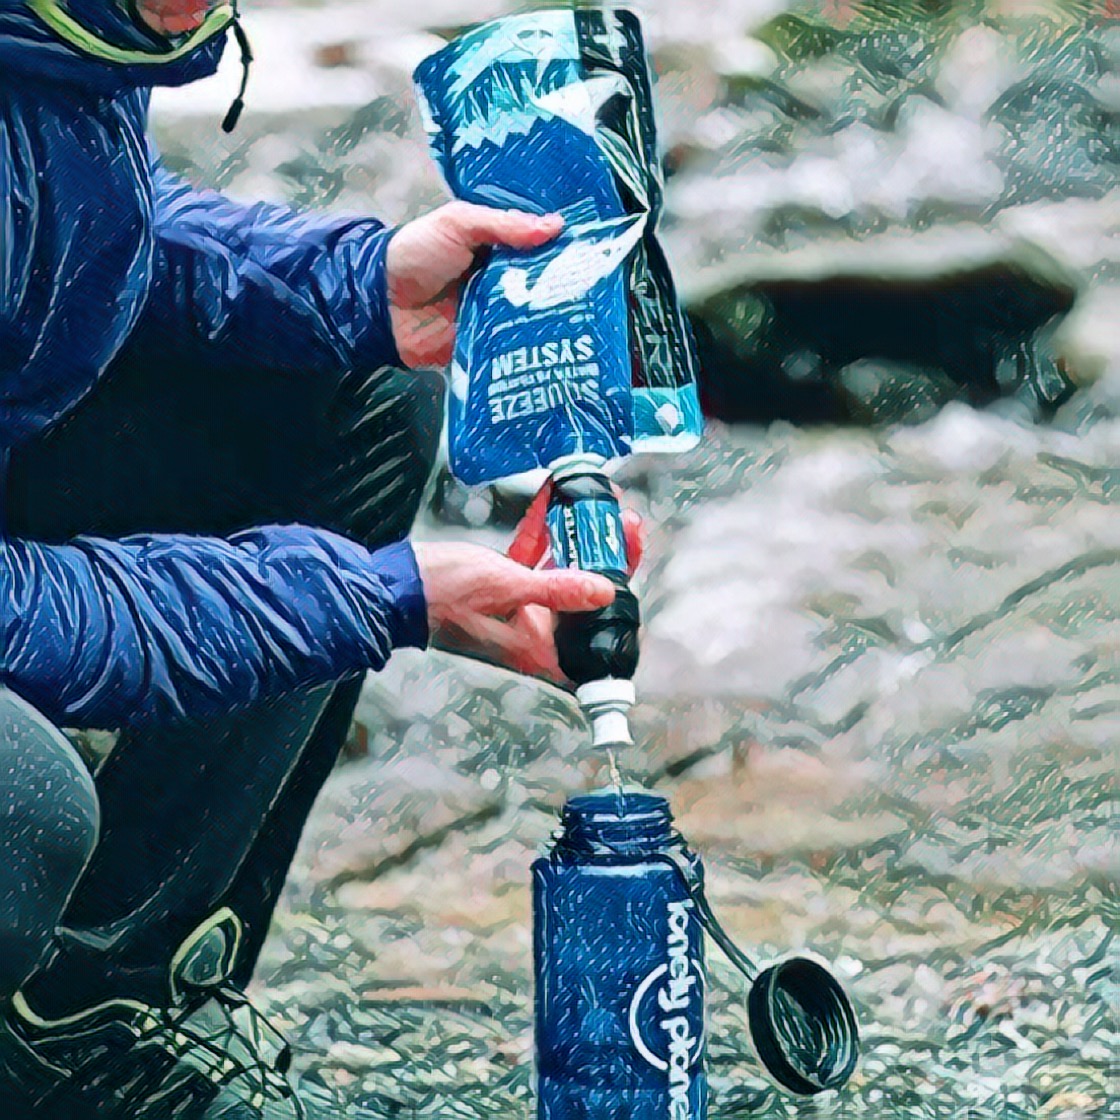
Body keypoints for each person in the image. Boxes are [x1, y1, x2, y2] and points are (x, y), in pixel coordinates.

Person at [0, 0, 642, 1114]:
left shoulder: (68, 33)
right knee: (23, 810)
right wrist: (377, 596)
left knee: (367, 392)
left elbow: (87, 220)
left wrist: (357, 285)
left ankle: (99, 1015)